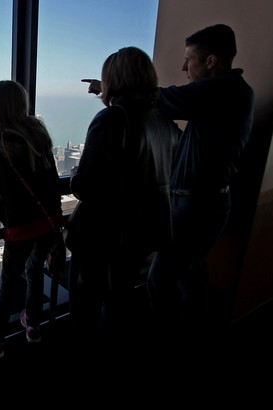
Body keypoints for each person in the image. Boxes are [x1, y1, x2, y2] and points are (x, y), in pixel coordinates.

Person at [84, 24, 255, 334]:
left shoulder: (220, 91)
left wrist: (111, 87)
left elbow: (156, 98)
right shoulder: (237, 93)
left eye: (189, 59)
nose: (183, 67)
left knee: (160, 280)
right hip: (209, 202)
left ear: (212, 61)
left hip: (196, 204)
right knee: (191, 273)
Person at [68, 47, 179, 335]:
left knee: (85, 308)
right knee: (120, 301)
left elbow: (85, 186)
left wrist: (74, 175)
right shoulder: (166, 123)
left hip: (102, 238)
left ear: (113, 80)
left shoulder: (111, 119)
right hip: (142, 235)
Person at [0, 80, 65, 359]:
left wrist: (8, 216)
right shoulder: (38, 133)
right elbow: (52, 180)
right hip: (46, 221)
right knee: (34, 272)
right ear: (23, 103)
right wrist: (54, 216)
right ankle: (33, 324)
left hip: (19, 225)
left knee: (9, 281)